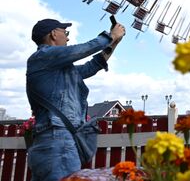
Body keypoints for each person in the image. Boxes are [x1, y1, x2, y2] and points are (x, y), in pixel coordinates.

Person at [26, 18, 125, 180]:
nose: (68, 37)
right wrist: (110, 36)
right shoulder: (43, 56)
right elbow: (83, 50)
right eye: (65, 33)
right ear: (53, 34)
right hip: (58, 144)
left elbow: (92, 66)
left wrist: (114, 43)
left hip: (50, 144)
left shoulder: (55, 68)